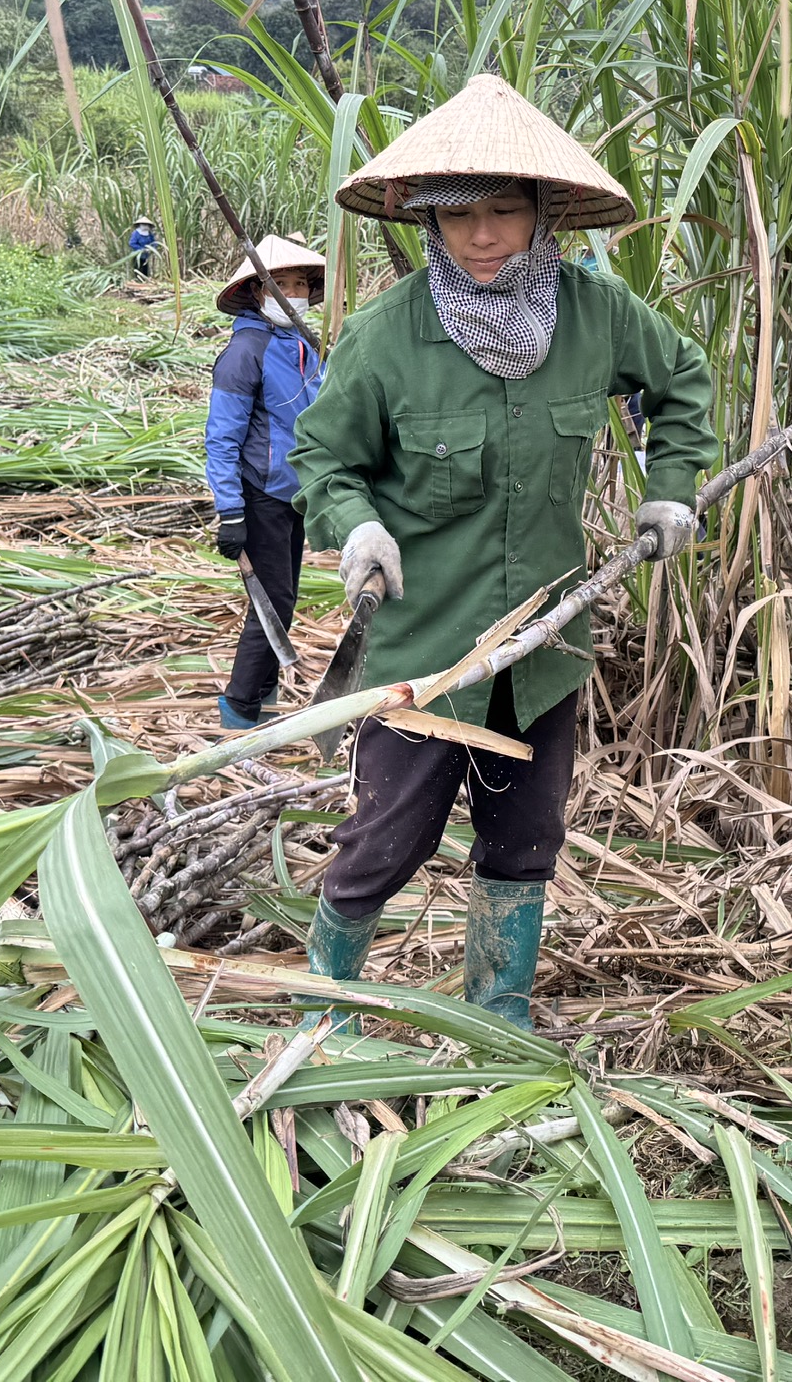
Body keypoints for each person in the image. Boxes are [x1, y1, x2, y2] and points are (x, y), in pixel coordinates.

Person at [292, 74, 718, 1031]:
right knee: (385, 838)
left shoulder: (597, 313)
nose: (481, 237)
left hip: (546, 649)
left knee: (525, 840)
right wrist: (355, 525)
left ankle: (501, 1013)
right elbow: (322, 453)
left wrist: (671, 486)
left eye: (502, 213)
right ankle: (328, 1009)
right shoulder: (387, 335)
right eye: (459, 218)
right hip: (426, 649)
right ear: (429, 223)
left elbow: (683, 379)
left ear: (541, 212)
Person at [206, 235, 328, 729]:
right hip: (259, 493)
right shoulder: (245, 351)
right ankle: (239, 707)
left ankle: (265, 689)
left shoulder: (302, 343)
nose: (293, 292)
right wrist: (230, 511)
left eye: (301, 283)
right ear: (259, 290)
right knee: (271, 600)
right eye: (282, 283)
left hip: (294, 493)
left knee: (285, 594)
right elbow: (222, 438)